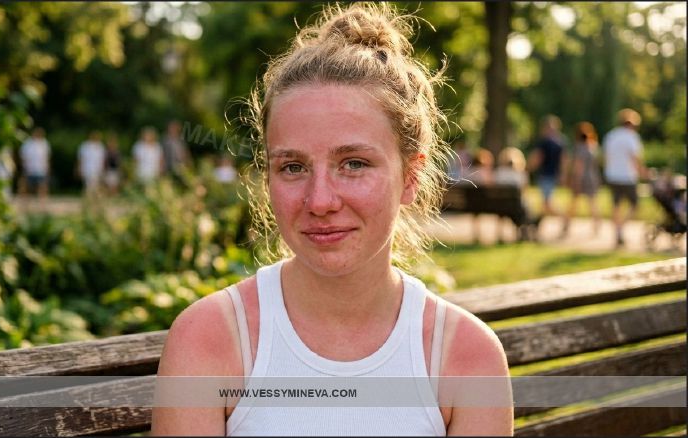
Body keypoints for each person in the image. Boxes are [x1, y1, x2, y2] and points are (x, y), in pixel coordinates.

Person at [153, 3, 512, 436]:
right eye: (293, 167)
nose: (319, 200)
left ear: (411, 178)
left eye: (354, 164)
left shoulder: (466, 358)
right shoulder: (211, 340)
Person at [602, 108, 648, 247]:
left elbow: (606, 156)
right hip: (627, 176)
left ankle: (617, 231)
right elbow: (635, 158)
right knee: (634, 204)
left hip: (612, 175)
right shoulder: (631, 137)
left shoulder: (610, 136)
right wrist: (643, 173)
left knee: (616, 205)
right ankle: (620, 228)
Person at [562, 122, 602, 238]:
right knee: (592, 202)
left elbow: (579, 166)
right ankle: (597, 224)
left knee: (574, 202)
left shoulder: (579, 148)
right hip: (592, 176)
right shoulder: (593, 147)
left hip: (582, 177)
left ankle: (566, 224)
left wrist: (576, 180)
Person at [528, 115, 567, 217]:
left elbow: (538, 158)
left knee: (547, 202)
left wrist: (528, 168)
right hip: (553, 173)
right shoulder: (561, 142)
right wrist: (563, 173)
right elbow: (564, 160)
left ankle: (563, 217)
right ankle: (541, 222)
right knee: (546, 201)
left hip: (546, 174)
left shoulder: (544, 142)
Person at [19, 127, 50, 199]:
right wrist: (24, 166)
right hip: (29, 169)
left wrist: (47, 167)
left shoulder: (44, 143)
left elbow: (47, 157)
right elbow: (23, 156)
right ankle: (24, 201)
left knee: (42, 186)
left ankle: (42, 202)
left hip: (41, 169)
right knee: (25, 186)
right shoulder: (27, 143)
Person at [77, 131, 106, 198]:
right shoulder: (85, 146)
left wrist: (103, 169)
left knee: (96, 186)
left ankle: (93, 200)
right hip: (87, 169)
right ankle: (88, 199)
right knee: (88, 186)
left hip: (97, 169)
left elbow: (102, 160)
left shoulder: (100, 146)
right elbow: (81, 158)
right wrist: (79, 168)